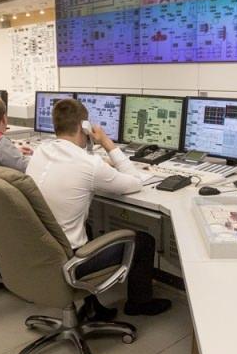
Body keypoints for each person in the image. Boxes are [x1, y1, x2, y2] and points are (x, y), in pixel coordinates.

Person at [26, 98, 171, 319]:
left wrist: (94, 158)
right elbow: (135, 181)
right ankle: (139, 304)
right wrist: (105, 142)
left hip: (38, 250)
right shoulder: (89, 164)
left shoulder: (41, 151)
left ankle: (94, 307)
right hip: (69, 261)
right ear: (84, 126)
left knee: (87, 228)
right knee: (144, 241)